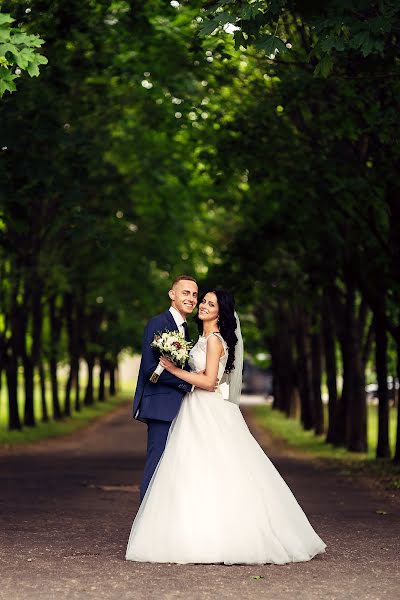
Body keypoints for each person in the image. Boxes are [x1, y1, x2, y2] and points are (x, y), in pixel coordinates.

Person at [126, 289, 326, 565]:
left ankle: (226, 535)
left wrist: (172, 370)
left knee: (218, 468)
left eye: (211, 303)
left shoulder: (215, 341)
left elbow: (209, 382)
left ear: (222, 312)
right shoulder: (201, 338)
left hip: (207, 407)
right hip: (193, 408)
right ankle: (192, 531)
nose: (204, 306)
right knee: (190, 469)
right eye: (204, 301)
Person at [132, 275, 198, 501]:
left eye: (194, 294)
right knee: (156, 465)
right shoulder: (159, 323)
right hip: (161, 405)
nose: (191, 298)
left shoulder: (184, 329)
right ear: (172, 294)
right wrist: (187, 382)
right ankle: (144, 526)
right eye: (185, 292)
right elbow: (150, 369)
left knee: (171, 468)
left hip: (177, 405)